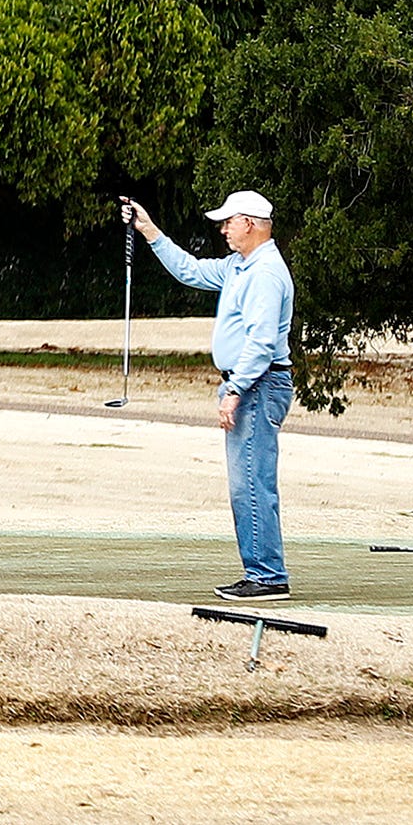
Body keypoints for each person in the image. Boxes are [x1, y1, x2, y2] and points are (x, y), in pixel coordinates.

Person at [124, 190, 296, 602]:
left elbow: (261, 341)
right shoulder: (241, 265)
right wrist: (149, 231)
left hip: (258, 383)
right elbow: (192, 271)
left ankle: (269, 577)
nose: (223, 229)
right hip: (249, 382)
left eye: (228, 222)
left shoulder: (265, 273)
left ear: (250, 224)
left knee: (251, 484)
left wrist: (235, 390)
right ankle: (263, 572)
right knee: (247, 483)